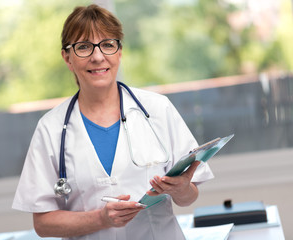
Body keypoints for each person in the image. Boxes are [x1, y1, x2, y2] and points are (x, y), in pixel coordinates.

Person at [12, 4, 214, 240]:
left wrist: (182, 190)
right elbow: (43, 224)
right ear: (67, 57)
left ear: (119, 51)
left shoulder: (158, 109)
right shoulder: (51, 129)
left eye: (107, 44)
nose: (98, 57)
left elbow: (189, 196)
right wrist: (101, 219)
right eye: (84, 47)